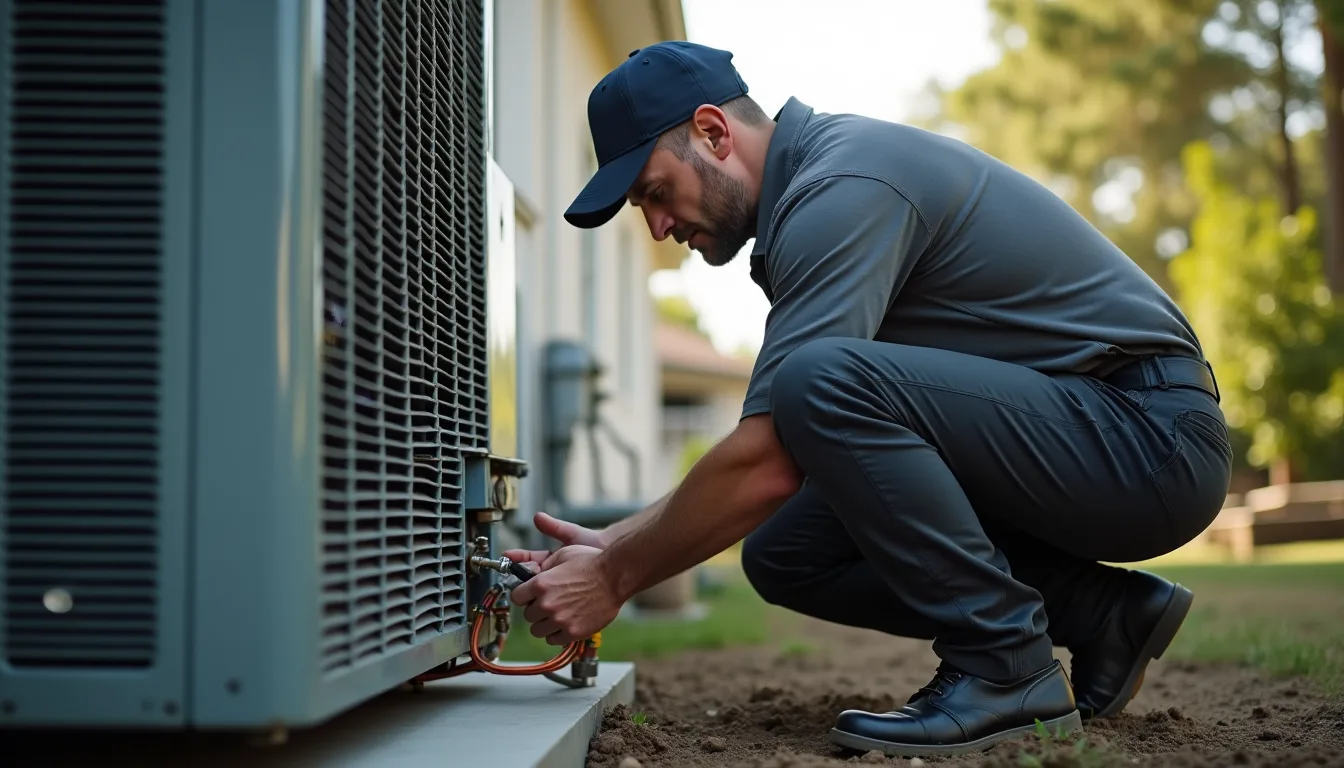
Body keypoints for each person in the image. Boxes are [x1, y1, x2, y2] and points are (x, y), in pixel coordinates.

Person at [504, 41, 1232, 758]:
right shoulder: (817, 188)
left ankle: (1003, 664)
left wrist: (618, 572)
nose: (657, 227)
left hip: (1149, 440)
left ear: (714, 132)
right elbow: (780, 456)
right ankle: (1103, 615)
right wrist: (613, 544)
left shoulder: (841, 187)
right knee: (790, 550)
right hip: (1090, 434)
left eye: (655, 192)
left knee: (816, 383)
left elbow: (768, 454)